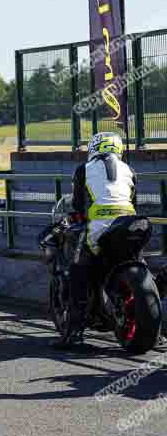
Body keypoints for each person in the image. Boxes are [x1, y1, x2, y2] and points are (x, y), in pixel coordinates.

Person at [55, 131, 137, 348]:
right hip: (129, 226)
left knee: (78, 275)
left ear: (94, 149)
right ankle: (154, 331)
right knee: (138, 262)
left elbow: (78, 204)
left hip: (97, 231)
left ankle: (74, 334)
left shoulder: (84, 170)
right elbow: (132, 199)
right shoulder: (129, 170)